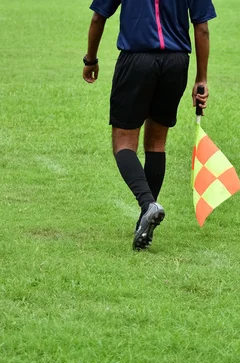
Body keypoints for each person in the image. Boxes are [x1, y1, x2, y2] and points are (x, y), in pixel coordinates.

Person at [82, 0, 216, 251]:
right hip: (176, 62)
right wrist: (201, 78)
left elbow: (99, 17)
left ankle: (148, 205)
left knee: (123, 142)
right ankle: (144, 222)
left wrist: (90, 59)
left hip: (136, 61)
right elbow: (202, 27)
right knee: (156, 142)